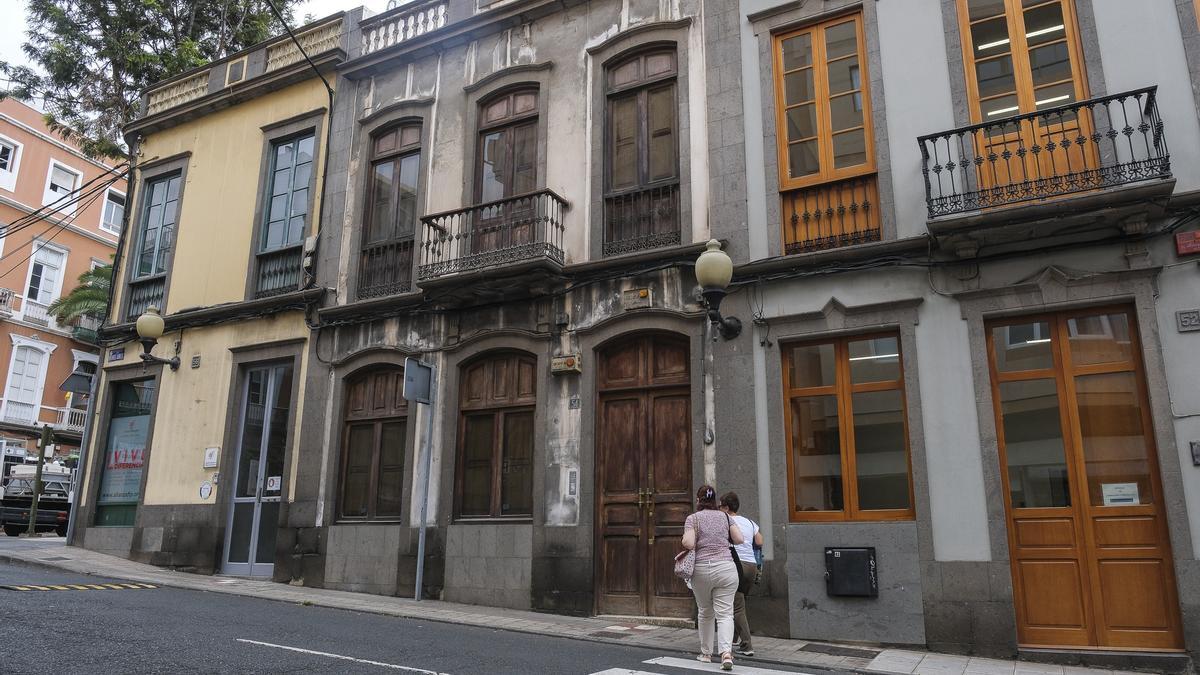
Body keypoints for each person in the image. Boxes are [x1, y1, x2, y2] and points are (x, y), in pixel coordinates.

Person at [682, 484, 744, 671]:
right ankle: (726, 653)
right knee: (725, 613)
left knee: (705, 611)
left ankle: (706, 653)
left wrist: (685, 539)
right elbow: (739, 539)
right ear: (715, 501)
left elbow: (689, 542)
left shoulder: (693, 518)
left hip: (701, 570)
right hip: (726, 568)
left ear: (698, 500)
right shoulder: (725, 516)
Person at [721, 492, 763, 657]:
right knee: (739, 602)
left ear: (726, 507)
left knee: (737, 607)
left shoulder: (727, 521)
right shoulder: (750, 522)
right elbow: (759, 541)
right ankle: (733, 639)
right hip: (752, 566)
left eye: (720, 506)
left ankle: (747, 646)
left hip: (737, 565)